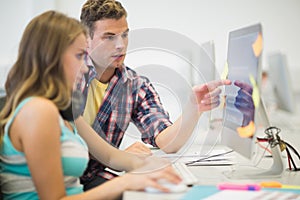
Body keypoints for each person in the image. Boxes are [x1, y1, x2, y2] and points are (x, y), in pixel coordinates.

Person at [0, 10, 182, 200]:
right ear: (52, 57)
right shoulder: (38, 111)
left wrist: (152, 168)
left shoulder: (62, 110)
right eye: (79, 56)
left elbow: (110, 157)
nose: (86, 66)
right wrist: (125, 182)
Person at [79, 0, 231, 190]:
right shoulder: (69, 75)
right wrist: (123, 157)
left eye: (124, 35)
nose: (120, 45)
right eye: (109, 37)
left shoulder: (134, 85)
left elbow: (167, 142)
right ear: (86, 39)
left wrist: (194, 108)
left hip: (94, 177)